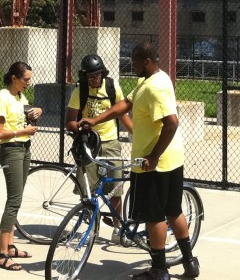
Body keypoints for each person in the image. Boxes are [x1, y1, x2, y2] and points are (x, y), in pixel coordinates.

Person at [80, 42, 199, 280]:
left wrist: (153, 156)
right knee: (174, 211)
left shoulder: (155, 88)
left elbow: (172, 122)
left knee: (155, 216)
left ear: (146, 61)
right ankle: (190, 263)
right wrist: (94, 120)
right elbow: (126, 105)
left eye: (134, 62)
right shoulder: (152, 79)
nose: (131, 65)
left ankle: (159, 270)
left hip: (155, 163)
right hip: (172, 159)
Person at [65, 53, 133, 240]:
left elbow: (122, 113)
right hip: (89, 142)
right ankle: (92, 228)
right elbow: (69, 121)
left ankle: (118, 228)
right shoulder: (80, 91)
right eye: (90, 77)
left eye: (97, 76)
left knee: (116, 187)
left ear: (103, 73)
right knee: (88, 190)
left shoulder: (112, 87)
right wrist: (80, 127)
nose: (94, 80)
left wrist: (136, 133)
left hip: (110, 141)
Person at [0, 61, 42, 271]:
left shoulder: (20, 97)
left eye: (30, 79)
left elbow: (22, 117)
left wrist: (34, 112)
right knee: (13, 200)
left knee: (17, 198)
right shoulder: (3, 97)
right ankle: (2, 254)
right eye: (25, 79)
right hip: (11, 149)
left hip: (24, 148)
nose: (28, 82)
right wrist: (23, 132)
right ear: (14, 78)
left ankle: (11, 246)